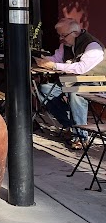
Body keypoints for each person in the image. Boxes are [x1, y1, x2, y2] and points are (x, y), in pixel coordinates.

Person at [35, 18, 106, 149]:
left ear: (75, 33)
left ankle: (81, 137)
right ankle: (71, 126)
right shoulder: (66, 44)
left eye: (64, 35)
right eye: (60, 35)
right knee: (44, 89)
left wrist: (54, 66)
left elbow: (81, 68)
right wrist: (43, 60)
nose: (61, 39)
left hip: (95, 83)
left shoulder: (92, 46)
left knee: (76, 94)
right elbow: (57, 59)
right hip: (72, 82)